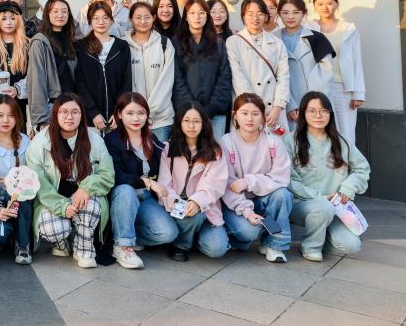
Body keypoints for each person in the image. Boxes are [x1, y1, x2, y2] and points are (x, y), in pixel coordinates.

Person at [27, 94, 114, 268]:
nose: (69, 117)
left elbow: (107, 175)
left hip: (83, 198)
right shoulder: (40, 142)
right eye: (64, 112)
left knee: (88, 205)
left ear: (82, 115)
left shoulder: (95, 140)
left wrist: (86, 188)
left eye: (75, 112)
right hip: (52, 200)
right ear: (55, 114)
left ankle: (84, 248)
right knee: (54, 229)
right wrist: (62, 206)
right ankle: (61, 243)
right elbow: (38, 181)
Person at [287, 91, 371, 261]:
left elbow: (362, 169)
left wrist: (348, 188)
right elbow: (288, 180)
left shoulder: (341, 142)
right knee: (322, 208)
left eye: (324, 111)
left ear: (330, 114)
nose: (318, 115)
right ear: (303, 113)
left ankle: (319, 237)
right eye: (312, 111)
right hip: (301, 204)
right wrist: (321, 198)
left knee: (352, 245)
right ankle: (311, 246)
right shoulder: (290, 141)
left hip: (335, 206)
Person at [105, 92, 176, 269]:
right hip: (122, 197)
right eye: (130, 113)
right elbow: (116, 176)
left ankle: (128, 235)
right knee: (125, 189)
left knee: (168, 233)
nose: (136, 118)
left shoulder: (151, 139)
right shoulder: (112, 140)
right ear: (119, 114)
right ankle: (122, 246)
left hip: (145, 197)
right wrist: (148, 182)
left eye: (141, 113)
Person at [221, 93, 293, 263]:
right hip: (236, 203)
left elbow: (281, 178)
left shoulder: (274, 142)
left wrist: (248, 182)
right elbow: (227, 184)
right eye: (244, 113)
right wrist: (247, 211)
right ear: (235, 115)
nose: (250, 119)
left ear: (263, 116)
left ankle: (274, 245)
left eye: (255, 114)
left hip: (264, 200)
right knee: (248, 232)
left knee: (283, 194)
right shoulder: (226, 142)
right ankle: (240, 239)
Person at [158, 102, 231, 261]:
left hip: (204, 206)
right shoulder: (167, 148)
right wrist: (176, 203)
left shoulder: (215, 151)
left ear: (204, 124)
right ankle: (181, 245)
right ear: (179, 122)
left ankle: (194, 237)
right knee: (191, 217)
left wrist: (197, 202)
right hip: (173, 204)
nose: (191, 126)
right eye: (186, 121)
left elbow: (214, 184)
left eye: (196, 121)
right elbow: (164, 183)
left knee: (217, 249)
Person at [0, 95, 33, 264]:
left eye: (11, 115)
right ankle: (5, 238)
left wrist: (16, 183)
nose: (5, 120)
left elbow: (34, 176)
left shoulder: (26, 142)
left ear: (17, 117)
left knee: (22, 198)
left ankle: (23, 245)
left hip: (19, 202)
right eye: (0, 115)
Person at [311, 0, 366, 149]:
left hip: (342, 87)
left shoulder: (348, 29)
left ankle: (347, 162)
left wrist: (358, 93)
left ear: (337, 4)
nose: (325, 7)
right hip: (318, 87)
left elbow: (356, 61)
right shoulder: (309, 28)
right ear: (314, 6)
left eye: (329, 3)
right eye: (320, 4)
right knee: (320, 130)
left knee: (345, 131)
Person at [227, 0, 291, 132]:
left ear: (266, 16)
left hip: (272, 110)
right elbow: (238, 77)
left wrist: (278, 107)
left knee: (275, 144)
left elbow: (283, 77)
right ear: (243, 16)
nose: (255, 18)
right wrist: (254, 108)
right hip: (246, 108)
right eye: (250, 13)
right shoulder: (233, 42)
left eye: (260, 14)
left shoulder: (277, 43)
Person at [173, 0, 233, 141]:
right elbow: (176, 79)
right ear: (186, 17)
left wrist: (209, 110)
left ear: (207, 16)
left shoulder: (219, 44)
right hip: (186, 115)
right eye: (192, 13)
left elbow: (224, 78)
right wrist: (191, 110)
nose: (197, 17)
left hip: (215, 113)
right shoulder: (175, 43)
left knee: (215, 152)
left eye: (201, 13)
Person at [75, 2, 132, 132]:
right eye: (96, 18)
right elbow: (79, 83)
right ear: (89, 21)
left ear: (112, 20)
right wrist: (93, 112)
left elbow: (127, 82)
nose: (101, 22)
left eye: (105, 17)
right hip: (91, 121)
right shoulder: (81, 47)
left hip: (116, 120)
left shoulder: (122, 46)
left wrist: (118, 111)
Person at [278, 0, 335, 118]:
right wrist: (289, 104)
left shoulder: (317, 38)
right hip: (281, 105)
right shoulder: (272, 39)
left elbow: (325, 76)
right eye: (285, 13)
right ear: (279, 14)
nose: (290, 17)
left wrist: (311, 106)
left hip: (313, 105)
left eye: (296, 12)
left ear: (303, 13)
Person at [125, 2, 175, 141]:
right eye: (138, 17)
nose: (143, 21)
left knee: (160, 155)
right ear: (131, 19)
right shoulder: (122, 44)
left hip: (161, 119)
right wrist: (137, 112)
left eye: (147, 17)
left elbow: (167, 81)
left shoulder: (164, 43)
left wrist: (150, 112)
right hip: (131, 118)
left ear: (154, 18)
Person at [27, 0, 78, 132]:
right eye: (55, 11)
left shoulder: (73, 40)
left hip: (74, 105)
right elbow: (36, 80)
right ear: (47, 14)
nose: (60, 15)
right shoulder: (39, 42)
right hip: (52, 105)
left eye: (64, 11)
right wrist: (41, 119)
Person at [0, 1, 31, 130]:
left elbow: (34, 76)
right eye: (4, 18)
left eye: (13, 18)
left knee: (18, 138)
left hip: (19, 107)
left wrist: (17, 89)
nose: (8, 22)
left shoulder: (28, 45)